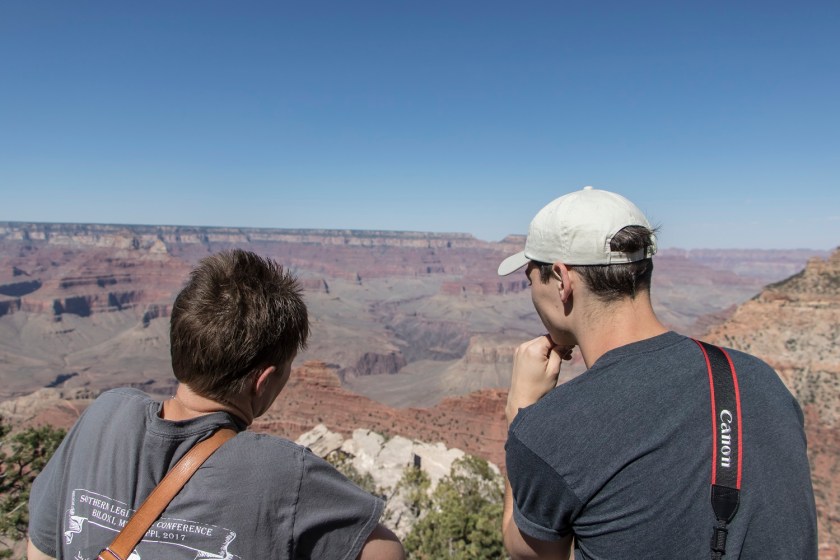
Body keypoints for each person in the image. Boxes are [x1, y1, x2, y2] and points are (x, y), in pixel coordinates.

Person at [497, 187, 818, 559]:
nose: (530, 293)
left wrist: (521, 412)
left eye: (530, 279)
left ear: (561, 280)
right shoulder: (759, 379)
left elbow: (530, 552)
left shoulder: (553, 428)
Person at [28, 249, 404, 560]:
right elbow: (387, 552)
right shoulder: (284, 472)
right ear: (263, 381)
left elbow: (41, 548)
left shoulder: (103, 415)